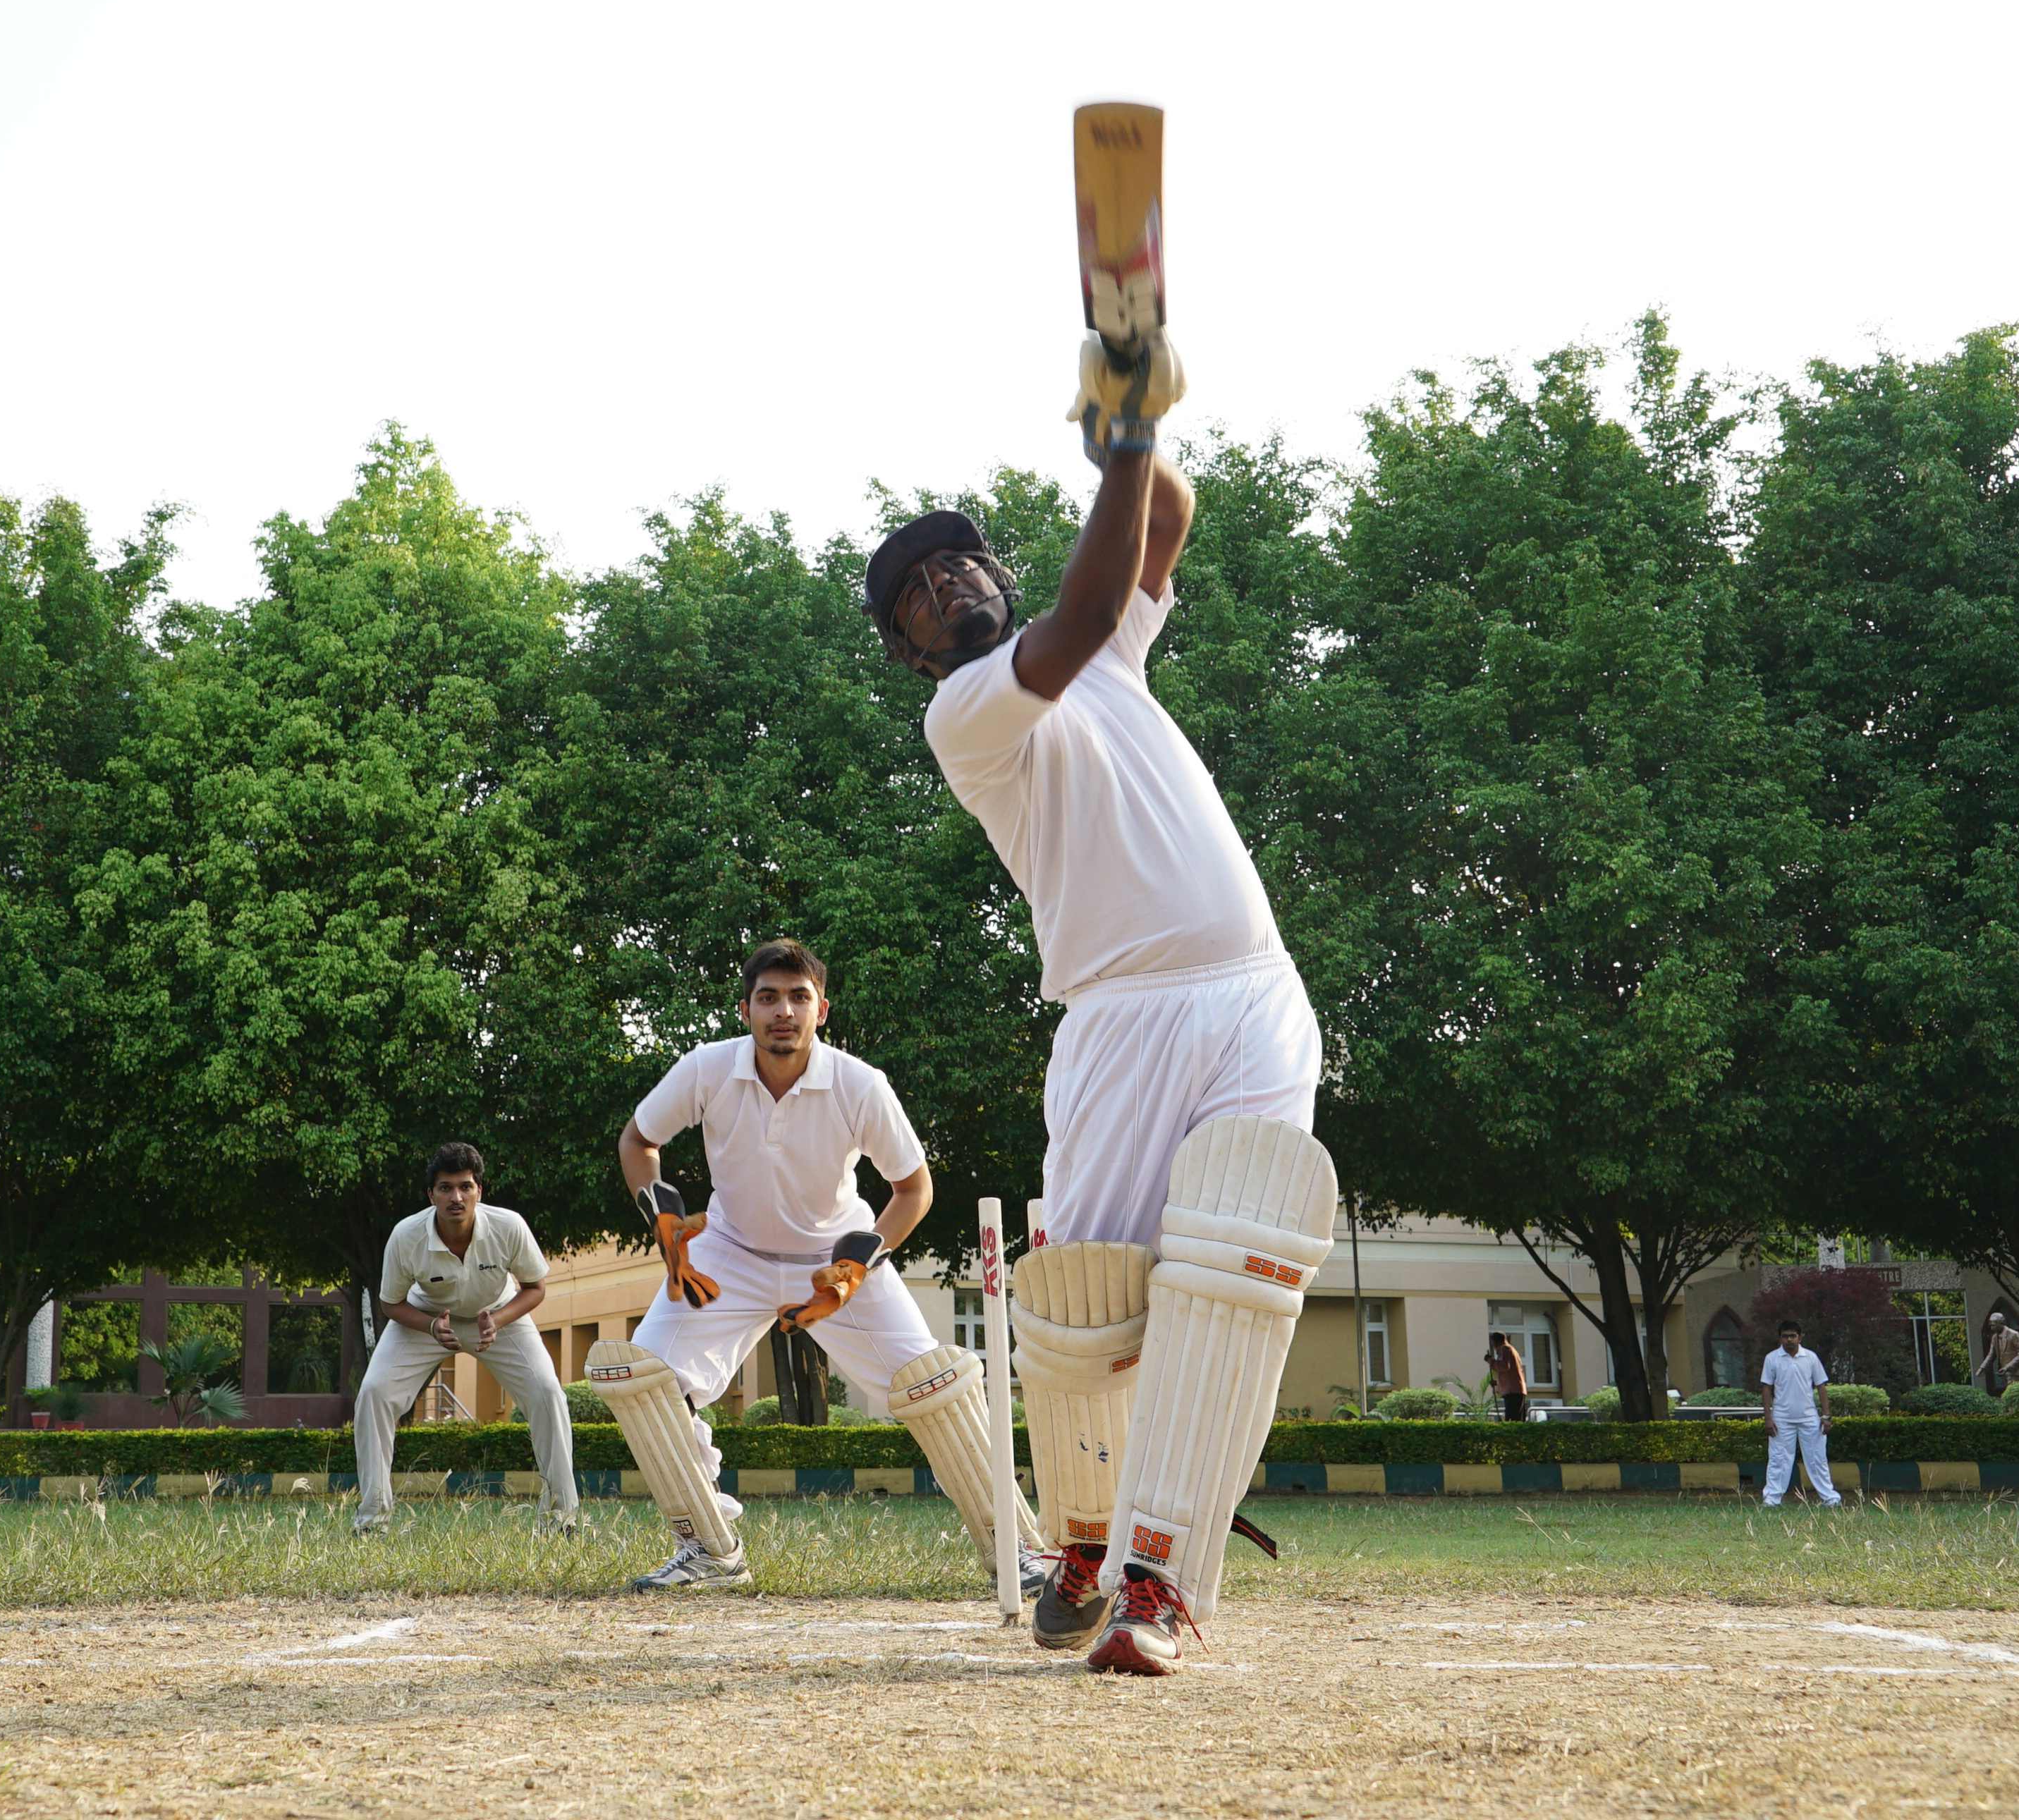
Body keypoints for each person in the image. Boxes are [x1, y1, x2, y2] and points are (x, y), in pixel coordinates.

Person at [864, 328, 1332, 1677]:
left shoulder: (1113, 646)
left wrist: (1133, 435)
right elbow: (1072, 619)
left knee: (1238, 1274)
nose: (946, 584)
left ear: (997, 573)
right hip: (1120, 1018)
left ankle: (1159, 1583)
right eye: (916, 592)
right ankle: (1082, 1534)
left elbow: (1163, 521)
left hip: (1256, 990)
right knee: (1085, 1307)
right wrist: (1120, 437)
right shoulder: (969, 710)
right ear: (910, 649)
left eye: (961, 562)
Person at [589, 939, 1047, 1597]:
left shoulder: (860, 1084)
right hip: (728, 1254)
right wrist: (660, 1215)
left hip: (835, 1260)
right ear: (745, 1009)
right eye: (768, 998)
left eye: (799, 998)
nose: (784, 1011)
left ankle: (1019, 1552)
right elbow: (639, 1140)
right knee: (645, 1383)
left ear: (821, 1010)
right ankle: (709, 1550)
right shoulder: (707, 1069)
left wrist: (856, 1268)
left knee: (936, 1388)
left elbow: (913, 1189)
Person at [352, 1142, 575, 1535]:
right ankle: (372, 1521)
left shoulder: (509, 1226)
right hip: (426, 1318)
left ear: (479, 1191)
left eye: (465, 1187)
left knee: (548, 1394)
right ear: (431, 1195)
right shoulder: (406, 1235)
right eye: (446, 1188)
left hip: (500, 1315)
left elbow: (535, 1287)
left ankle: (561, 1520)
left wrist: (498, 1320)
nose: (456, 1197)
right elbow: (390, 1304)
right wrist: (430, 1327)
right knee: (374, 1393)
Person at [1759, 1317, 1841, 1508]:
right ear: (1780, 1338)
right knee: (1778, 1459)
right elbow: (1766, 1388)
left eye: (1793, 1336)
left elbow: (1821, 1387)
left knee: (1817, 1459)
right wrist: (1768, 1418)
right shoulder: (1772, 1358)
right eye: (1785, 1336)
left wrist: (1826, 1416)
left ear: (1800, 1337)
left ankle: (1830, 1498)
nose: (1789, 1340)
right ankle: (1772, 1499)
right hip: (1782, 1418)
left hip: (1809, 1417)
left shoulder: (1810, 1357)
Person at [1973, 1308, 2019, 1398]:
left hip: (2016, 1372)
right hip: (2004, 1373)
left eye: (1993, 1325)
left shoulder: (2014, 1335)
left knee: (2016, 1396)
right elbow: (1991, 1355)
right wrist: (1982, 1368)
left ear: (2001, 1323)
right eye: (1991, 1325)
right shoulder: (1995, 1337)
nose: (1991, 1328)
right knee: (2008, 1396)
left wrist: (2008, 1367)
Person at [1486, 1332, 1530, 1422]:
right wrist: (1497, 1383)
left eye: (1493, 1343)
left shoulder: (1505, 1349)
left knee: (1512, 1421)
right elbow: (1510, 1374)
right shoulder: (1511, 1350)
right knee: (1517, 1420)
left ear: (1496, 1342)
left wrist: (1491, 1361)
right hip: (1516, 1390)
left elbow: (1505, 1366)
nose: (1493, 1346)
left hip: (1513, 1392)